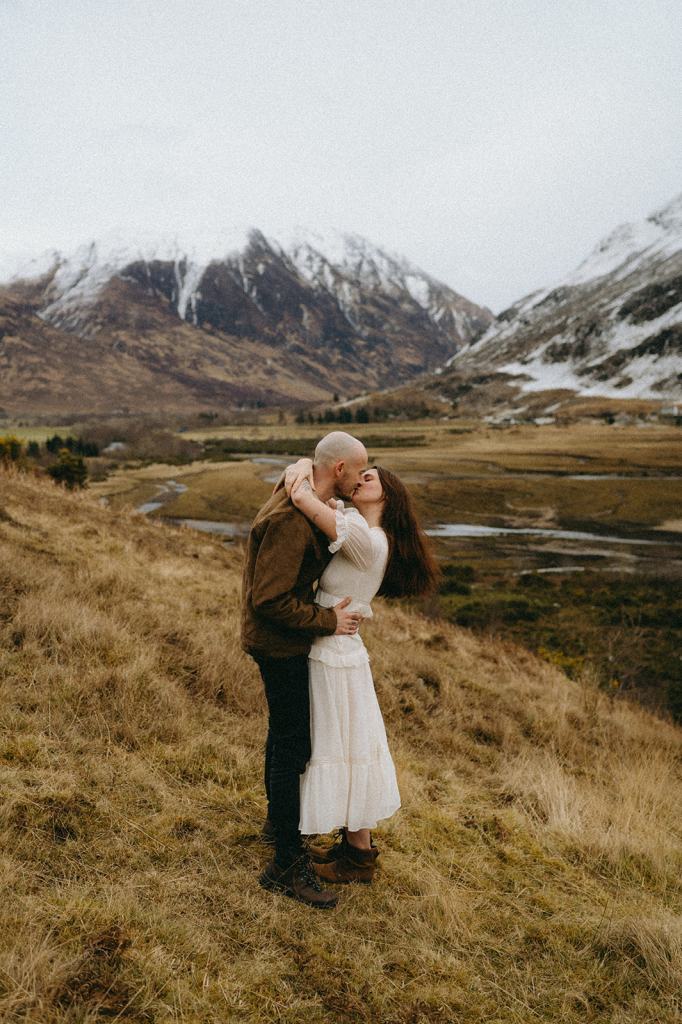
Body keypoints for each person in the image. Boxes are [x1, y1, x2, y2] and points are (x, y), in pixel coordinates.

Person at [281, 458, 439, 885]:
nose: (360, 479)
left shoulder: (367, 540)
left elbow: (300, 495)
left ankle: (355, 859)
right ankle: (357, 852)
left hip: (334, 651)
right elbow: (308, 476)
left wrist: (303, 480)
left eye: (370, 478)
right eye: (360, 473)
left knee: (342, 745)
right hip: (340, 646)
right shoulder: (356, 525)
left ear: (387, 495)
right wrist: (307, 465)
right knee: (350, 743)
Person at [240, 431, 368, 909]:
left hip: (276, 641)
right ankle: (286, 866)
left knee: (284, 737)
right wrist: (329, 621)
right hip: (278, 645)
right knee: (294, 744)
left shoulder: (302, 490)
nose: (361, 477)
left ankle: (279, 829)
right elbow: (269, 599)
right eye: (359, 469)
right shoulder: (294, 519)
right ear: (338, 470)